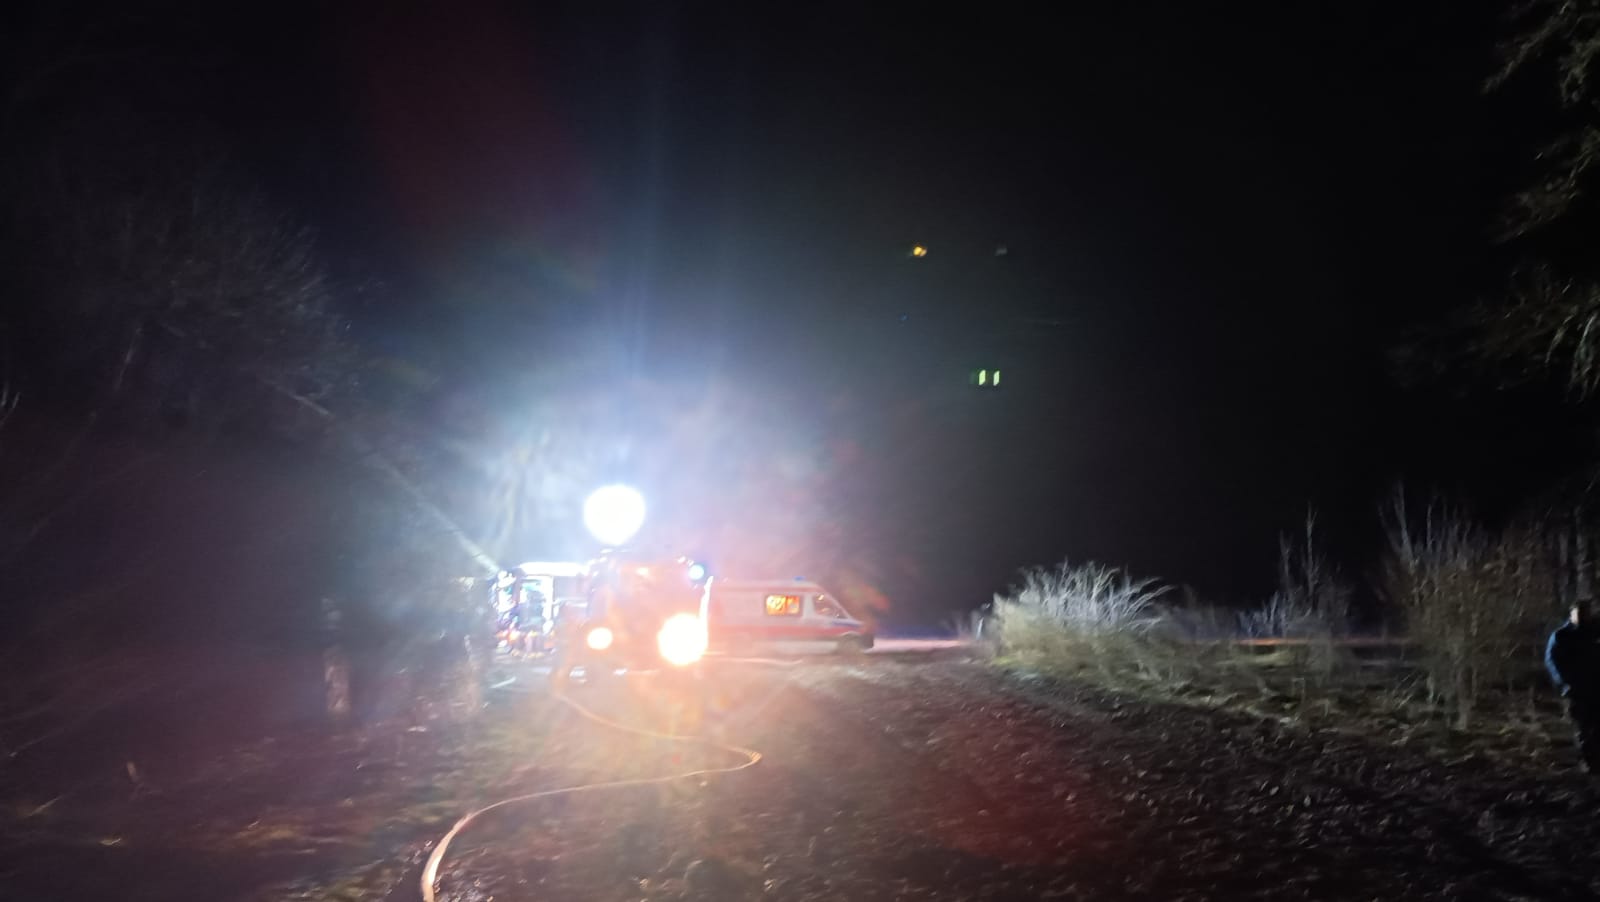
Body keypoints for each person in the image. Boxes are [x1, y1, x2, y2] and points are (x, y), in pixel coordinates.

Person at [1546, 601, 1600, 773]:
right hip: (1577, 689)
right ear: (1572, 614)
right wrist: (1565, 683)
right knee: (1584, 727)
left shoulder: (1594, 632)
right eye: (1580, 613)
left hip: (1596, 686)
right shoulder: (1562, 636)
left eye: (1587, 612)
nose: (1584, 616)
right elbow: (1553, 661)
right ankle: (1589, 761)